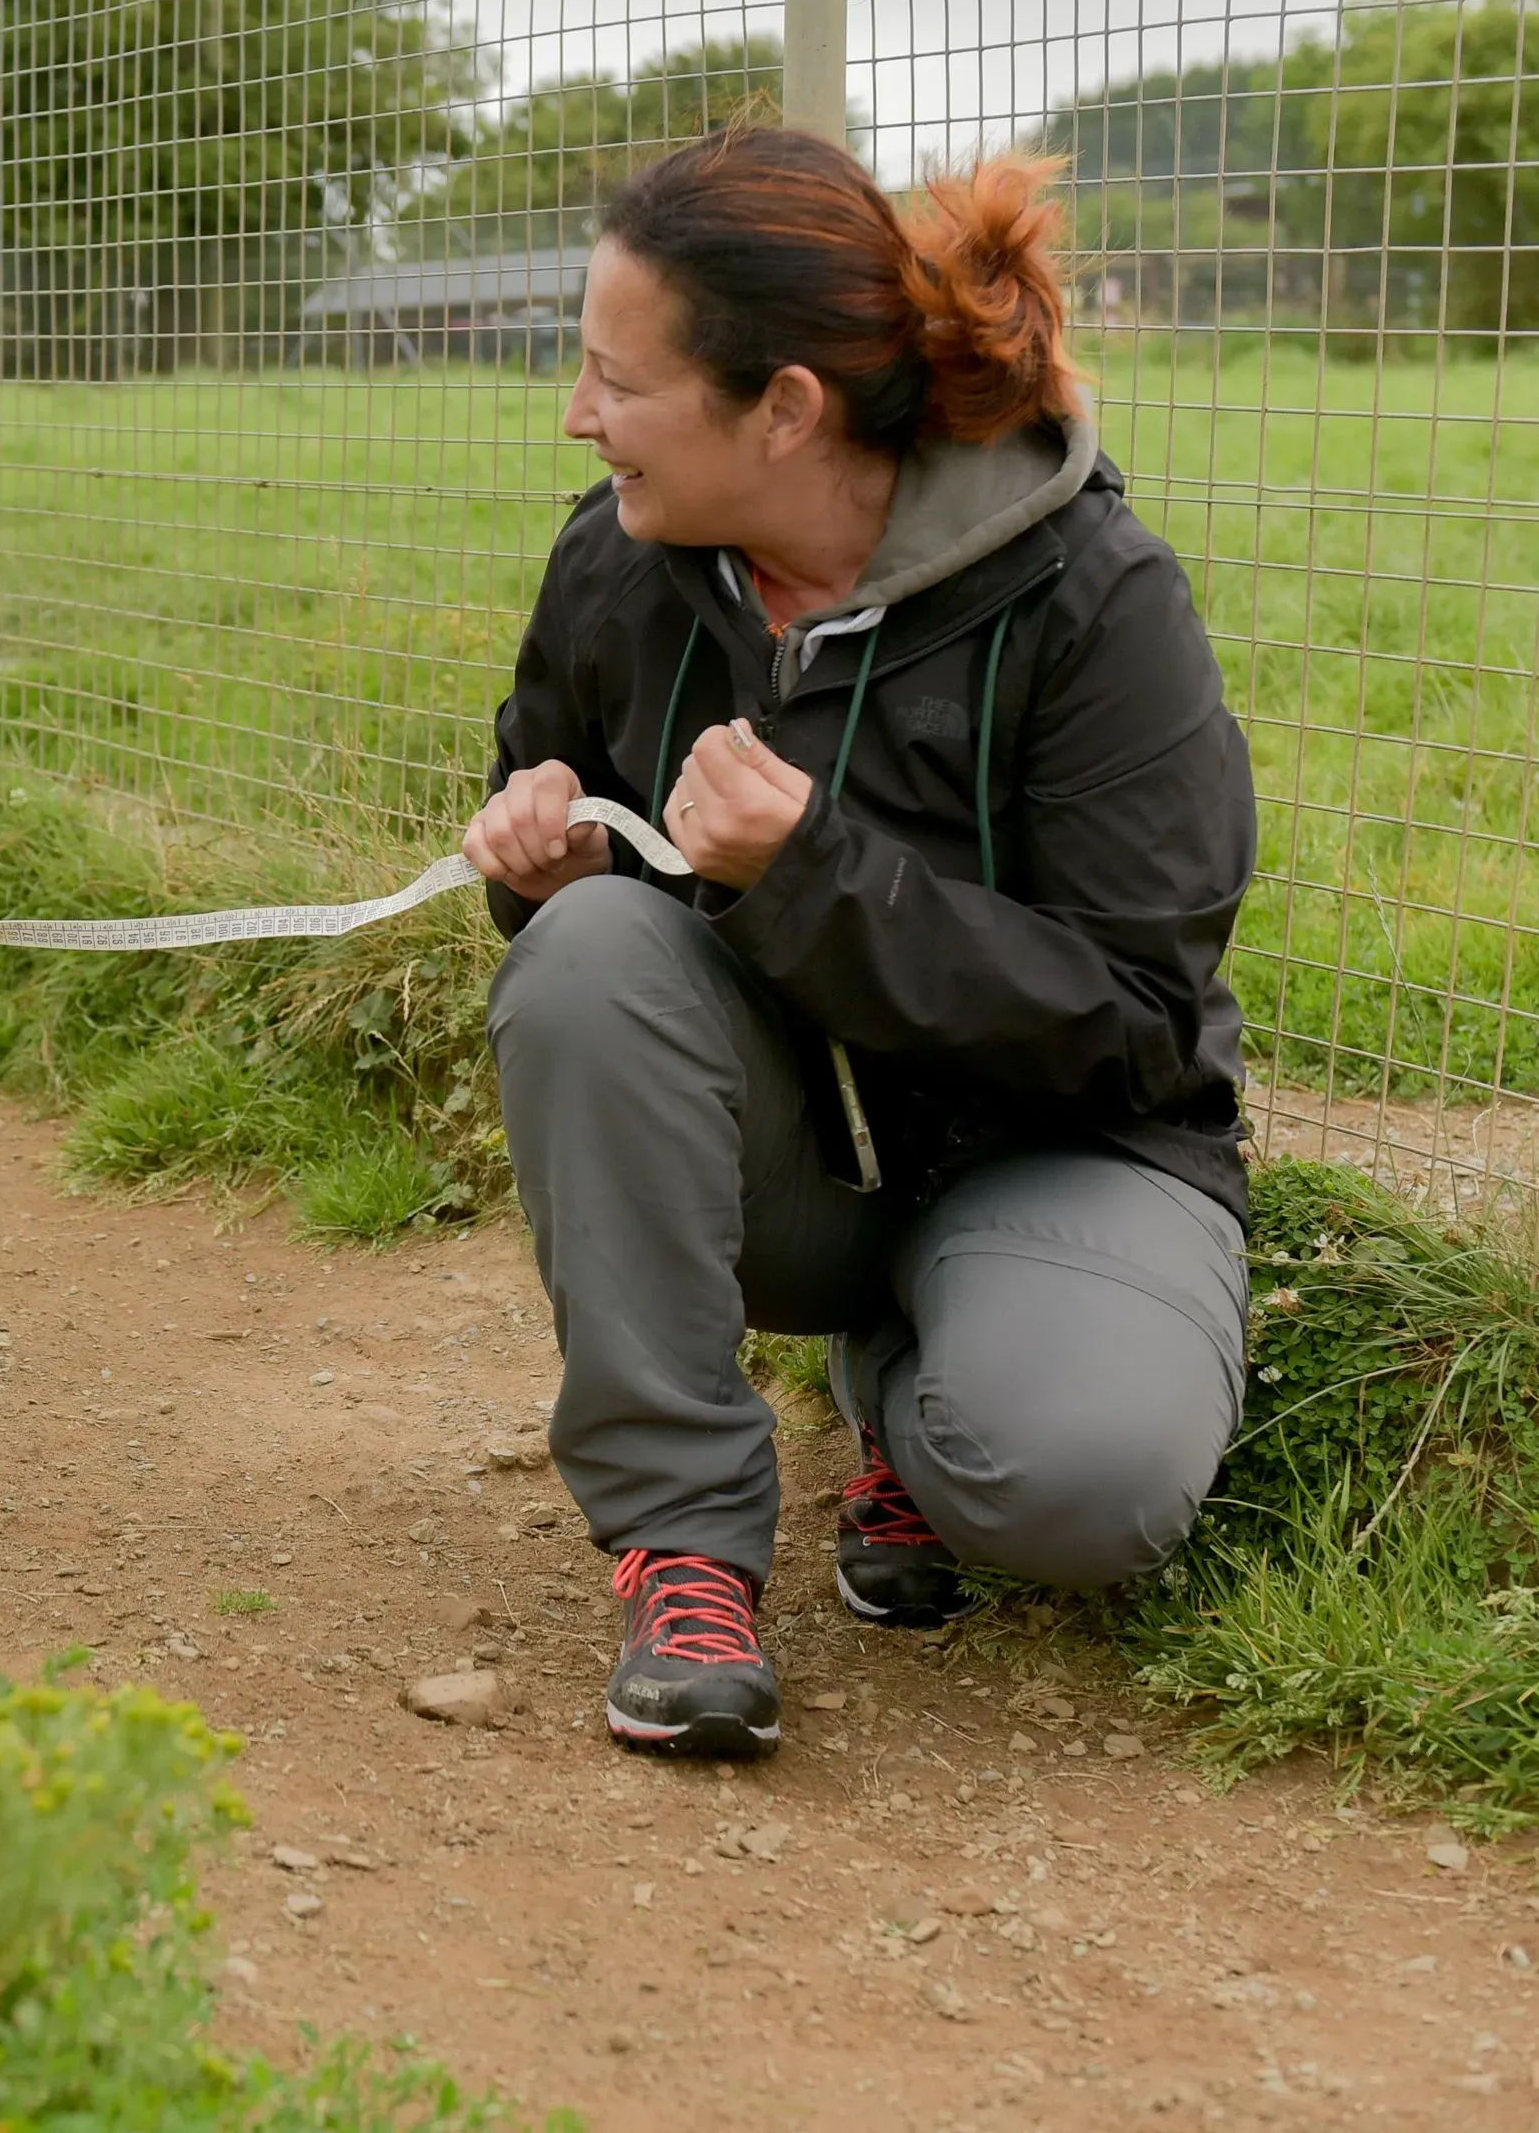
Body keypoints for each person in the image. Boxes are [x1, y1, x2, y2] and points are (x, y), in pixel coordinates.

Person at [459, 127, 1257, 1759]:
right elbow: (594, 911)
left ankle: (900, 1378)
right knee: (589, 952)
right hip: (791, 1166)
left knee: (1078, 1489)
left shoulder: (1095, 599)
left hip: (1052, 1147)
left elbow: (1132, 1020)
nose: (577, 414)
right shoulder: (615, 565)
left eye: (617, 378)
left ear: (785, 409)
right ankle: (681, 1541)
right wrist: (532, 864)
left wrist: (811, 871)